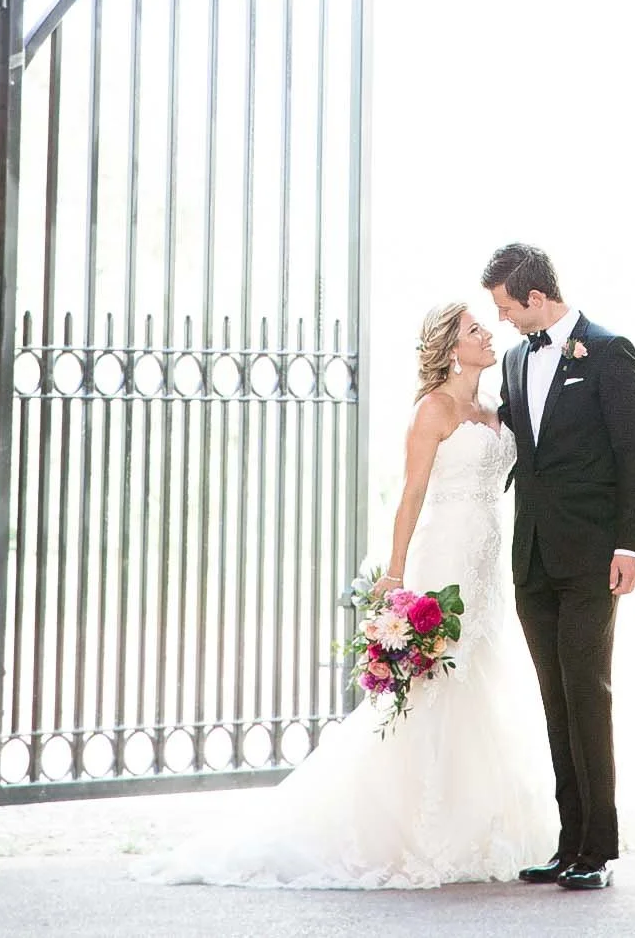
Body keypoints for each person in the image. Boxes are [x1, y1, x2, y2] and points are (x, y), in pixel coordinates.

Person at [136, 301, 554, 888]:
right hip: (443, 554)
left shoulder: (493, 408)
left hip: (488, 560)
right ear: (449, 347)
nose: (488, 335)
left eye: (486, 327)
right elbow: (410, 496)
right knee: (432, 684)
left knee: (480, 677)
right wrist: (397, 574)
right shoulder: (432, 410)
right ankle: (410, 827)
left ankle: (476, 825)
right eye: (474, 330)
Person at [484, 240, 635, 893]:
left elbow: (632, 452)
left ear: (536, 296)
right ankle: (566, 843)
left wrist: (629, 545)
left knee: (588, 694)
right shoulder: (511, 358)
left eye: (505, 307)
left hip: (591, 559)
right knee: (554, 700)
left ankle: (597, 850)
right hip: (531, 556)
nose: (500, 319)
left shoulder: (608, 352)